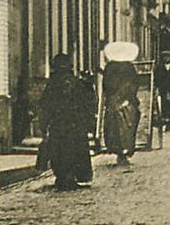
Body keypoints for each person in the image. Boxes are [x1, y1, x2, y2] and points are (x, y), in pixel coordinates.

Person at [38, 54, 95, 190]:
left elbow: (46, 106)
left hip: (59, 125)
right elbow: (87, 103)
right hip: (75, 125)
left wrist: (44, 126)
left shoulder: (52, 85)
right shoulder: (77, 83)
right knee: (76, 151)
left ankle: (62, 177)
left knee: (59, 152)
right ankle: (72, 176)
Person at [102, 56, 140, 166]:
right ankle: (125, 150)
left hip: (114, 101)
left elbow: (106, 86)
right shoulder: (129, 67)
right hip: (126, 100)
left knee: (114, 128)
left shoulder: (109, 67)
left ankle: (119, 151)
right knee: (128, 126)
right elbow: (135, 83)